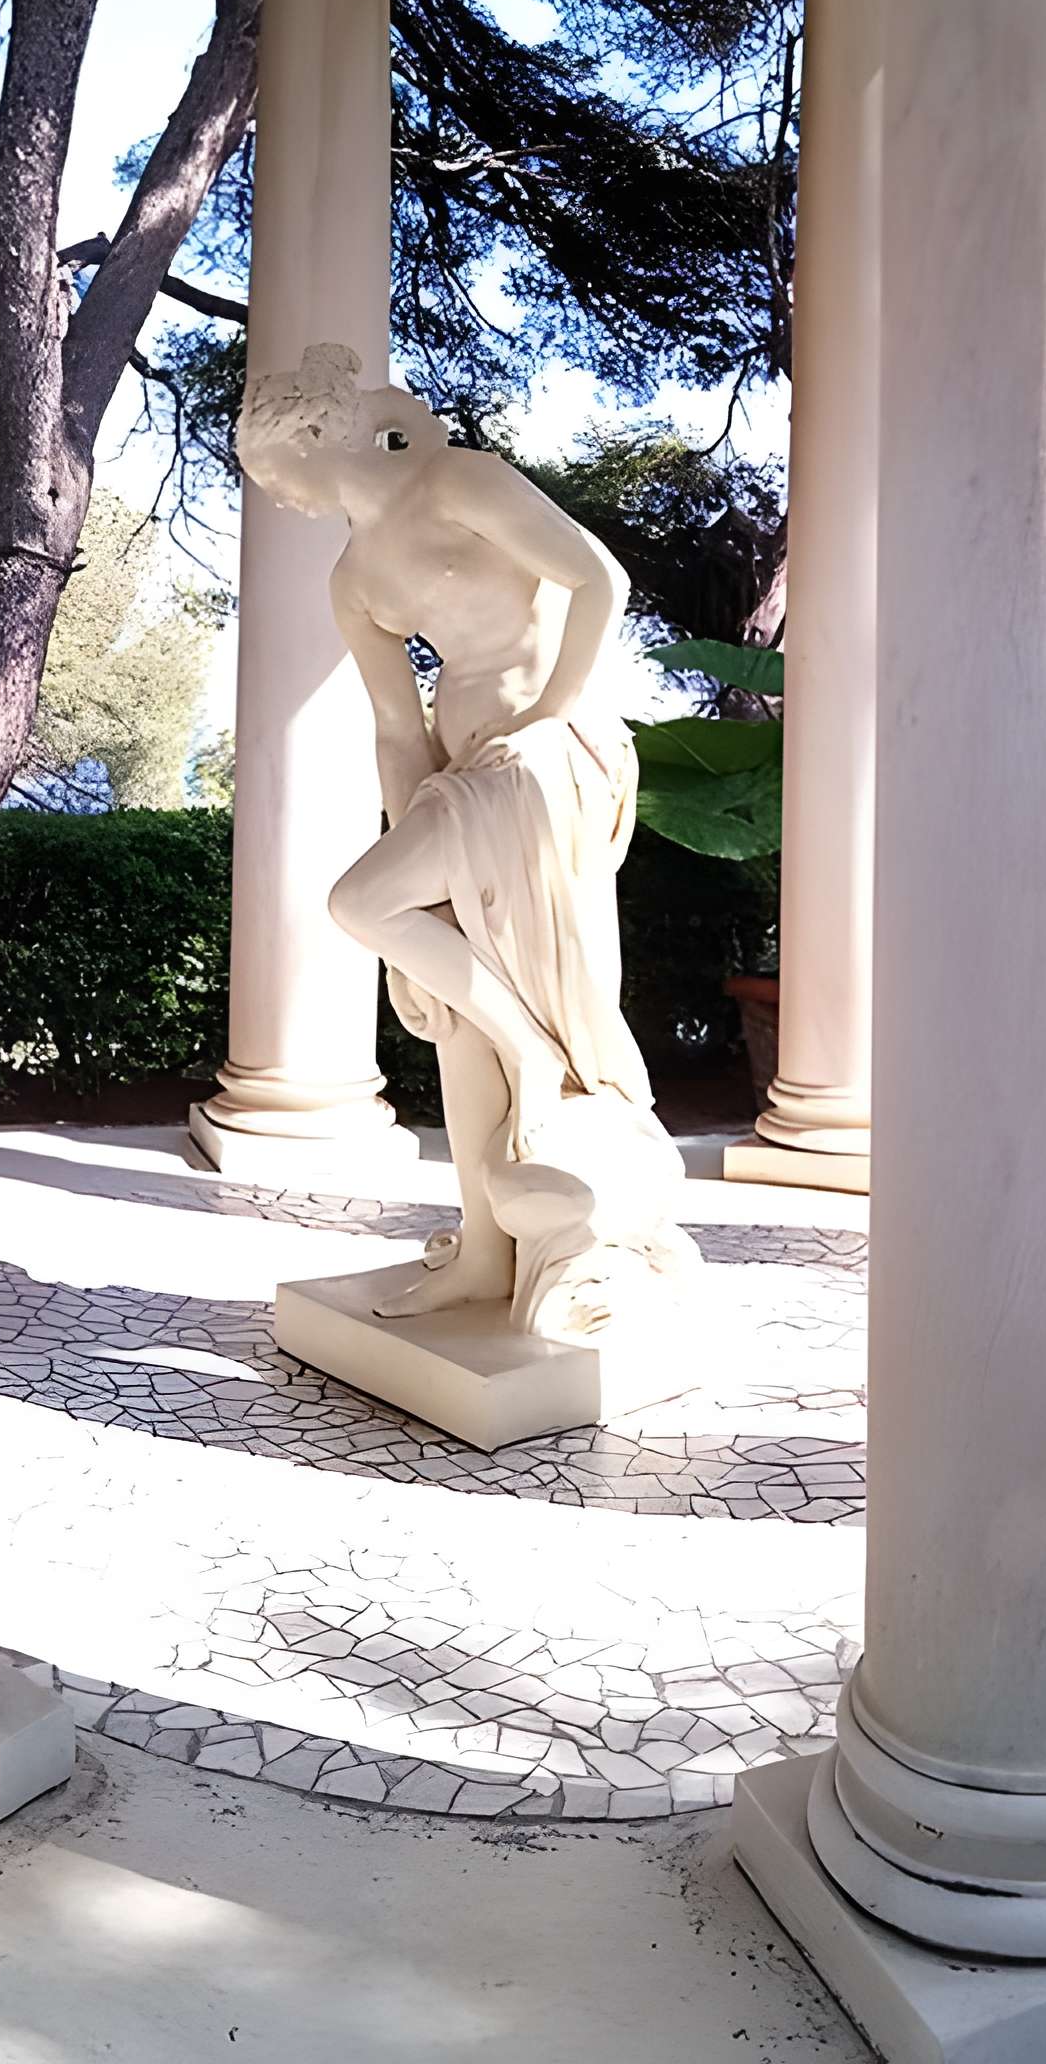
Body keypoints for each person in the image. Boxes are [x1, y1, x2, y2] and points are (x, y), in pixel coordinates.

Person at [236, 344, 695, 1343]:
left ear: (308, 437)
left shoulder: (458, 479)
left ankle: (539, 1060)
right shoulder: (351, 576)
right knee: (450, 1005)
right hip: (461, 775)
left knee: (359, 905)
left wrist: (554, 713)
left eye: (272, 471)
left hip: (541, 762)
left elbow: (597, 580)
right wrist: (420, 870)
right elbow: (398, 729)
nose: (276, 495)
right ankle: (486, 1252)